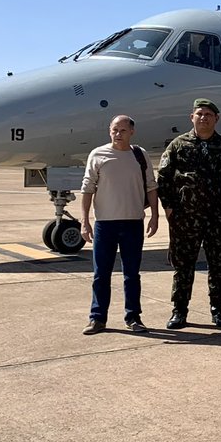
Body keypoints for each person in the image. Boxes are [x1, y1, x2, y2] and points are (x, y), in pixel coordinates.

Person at [156, 98, 221, 330]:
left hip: (218, 218)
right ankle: (179, 310)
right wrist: (169, 207)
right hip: (186, 218)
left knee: (219, 265)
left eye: (208, 115)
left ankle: (218, 310)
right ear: (192, 117)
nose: (203, 118)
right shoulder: (178, 145)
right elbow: (164, 177)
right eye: (199, 114)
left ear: (216, 119)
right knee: (183, 266)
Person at [79, 115, 159, 334]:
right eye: (114, 130)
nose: (117, 134)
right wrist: (85, 222)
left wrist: (155, 215)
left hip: (133, 223)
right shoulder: (98, 154)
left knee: (132, 274)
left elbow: (151, 186)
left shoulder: (139, 155)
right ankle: (97, 318)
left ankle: (133, 317)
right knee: (100, 274)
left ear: (132, 132)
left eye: (122, 130)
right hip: (105, 225)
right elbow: (87, 189)